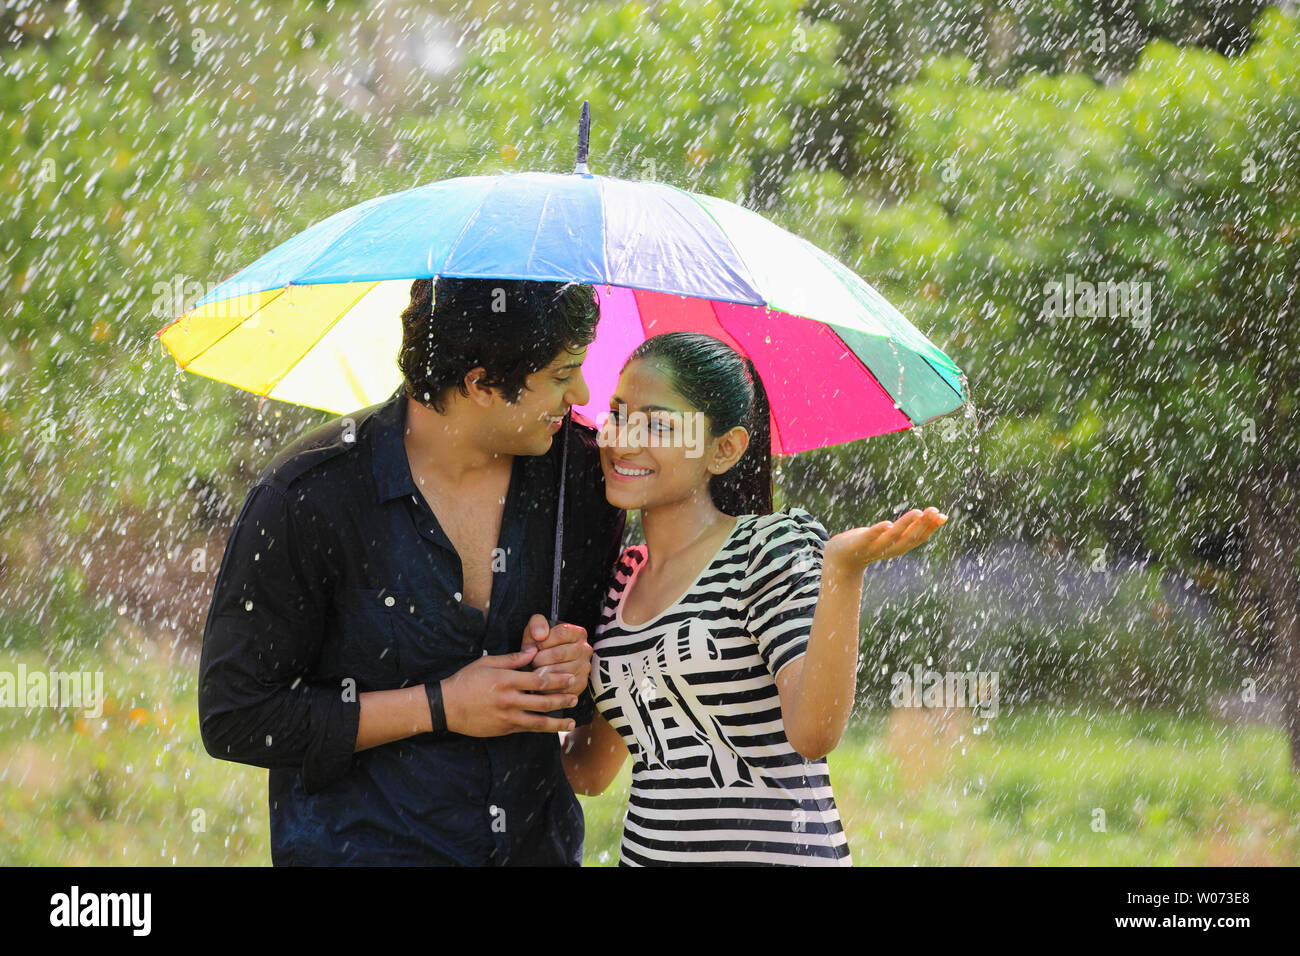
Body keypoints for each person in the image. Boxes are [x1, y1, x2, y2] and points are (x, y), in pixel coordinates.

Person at [198, 276, 626, 865]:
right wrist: (441, 705)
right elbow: (237, 717)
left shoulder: (582, 478)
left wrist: (571, 667)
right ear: (480, 382)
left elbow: (583, 718)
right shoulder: (310, 494)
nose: (580, 391)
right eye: (560, 374)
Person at [560, 331, 947, 865]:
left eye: (656, 423)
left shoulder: (767, 548)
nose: (621, 439)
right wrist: (527, 688)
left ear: (724, 449)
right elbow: (589, 770)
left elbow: (813, 732)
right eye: (618, 413)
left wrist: (842, 571)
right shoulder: (620, 582)